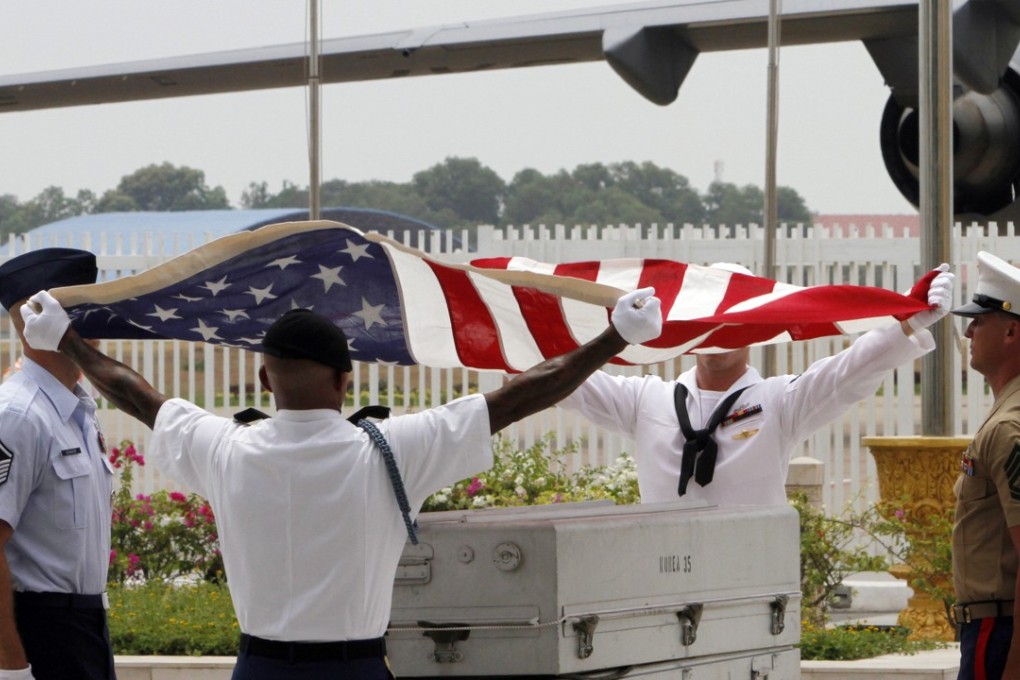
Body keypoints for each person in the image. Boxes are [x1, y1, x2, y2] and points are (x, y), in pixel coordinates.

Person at [18, 285, 662, 680]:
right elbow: (522, 395)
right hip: (353, 668)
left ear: (264, 383)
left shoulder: (225, 449)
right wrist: (613, 337)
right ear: (345, 379)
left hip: (259, 669)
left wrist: (67, 340)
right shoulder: (388, 450)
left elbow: (134, 392)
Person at [559, 261, 956, 507]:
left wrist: (908, 320)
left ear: (753, 328)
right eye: (707, 319)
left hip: (749, 584)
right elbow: (560, 378)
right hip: (662, 585)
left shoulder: (779, 402)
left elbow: (848, 373)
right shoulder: (646, 400)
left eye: (731, 320)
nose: (718, 332)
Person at [0, 249, 117, 680]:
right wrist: (11, 667)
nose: (95, 323)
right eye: (79, 312)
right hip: (38, 632)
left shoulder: (77, 411)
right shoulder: (17, 414)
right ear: (37, 320)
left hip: (83, 630)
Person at [949, 251, 1020, 680]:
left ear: (1012, 330)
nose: (969, 330)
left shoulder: (1010, 427)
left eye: (980, 320)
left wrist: (1014, 664)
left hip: (1001, 632)